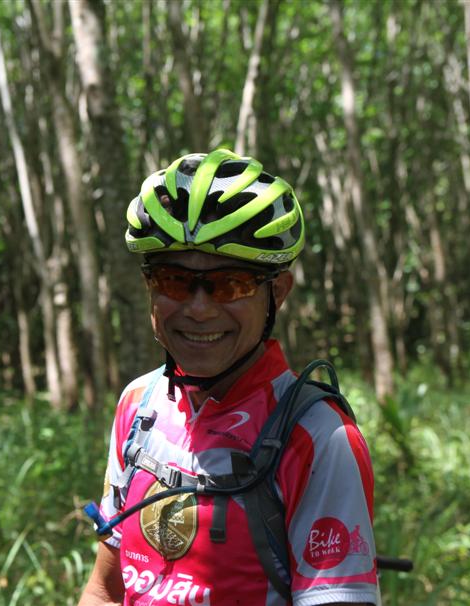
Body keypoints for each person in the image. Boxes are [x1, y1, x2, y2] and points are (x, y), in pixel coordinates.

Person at [79, 149, 378, 606]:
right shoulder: (139, 404)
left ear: (277, 293)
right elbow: (104, 589)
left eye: (230, 284)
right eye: (174, 281)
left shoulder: (318, 437)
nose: (199, 309)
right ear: (149, 286)